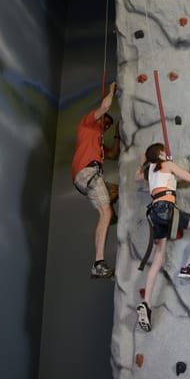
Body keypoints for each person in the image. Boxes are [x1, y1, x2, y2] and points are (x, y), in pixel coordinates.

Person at [135, 143, 190, 332]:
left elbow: (136, 177)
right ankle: (189, 265)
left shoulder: (150, 171)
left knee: (159, 255)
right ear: (161, 153)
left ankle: (146, 303)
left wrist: (142, 163)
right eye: (163, 151)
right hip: (167, 210)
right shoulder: (166, 165)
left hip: (155, 213)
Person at [72, 82, 120, 278]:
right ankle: (99, 262)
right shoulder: (87, 124)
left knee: (107, 208)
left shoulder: (98, 143)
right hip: (88, 172)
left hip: (87, 177)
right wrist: (111, 92)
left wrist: (116, 133)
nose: (105, 126)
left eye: (107, 126)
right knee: (106, 212)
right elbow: (105, 107)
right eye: (105, 123)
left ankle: (99, 262)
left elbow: (114, 153)